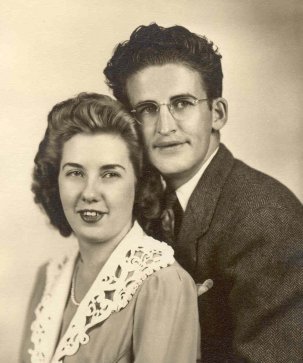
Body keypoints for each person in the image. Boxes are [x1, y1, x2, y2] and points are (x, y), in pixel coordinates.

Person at [104, 23, 303, 362]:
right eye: (148, 109)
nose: (165, 127)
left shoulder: (266, 219)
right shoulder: (150, 206)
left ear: (217, 113)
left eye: (181, 103)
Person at [19, 93, 200, 363]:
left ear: (139, 184)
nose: (89, 193)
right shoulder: (48, 278)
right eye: (75, 173)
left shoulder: (163, 284)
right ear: (54, 181)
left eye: (110, 174)